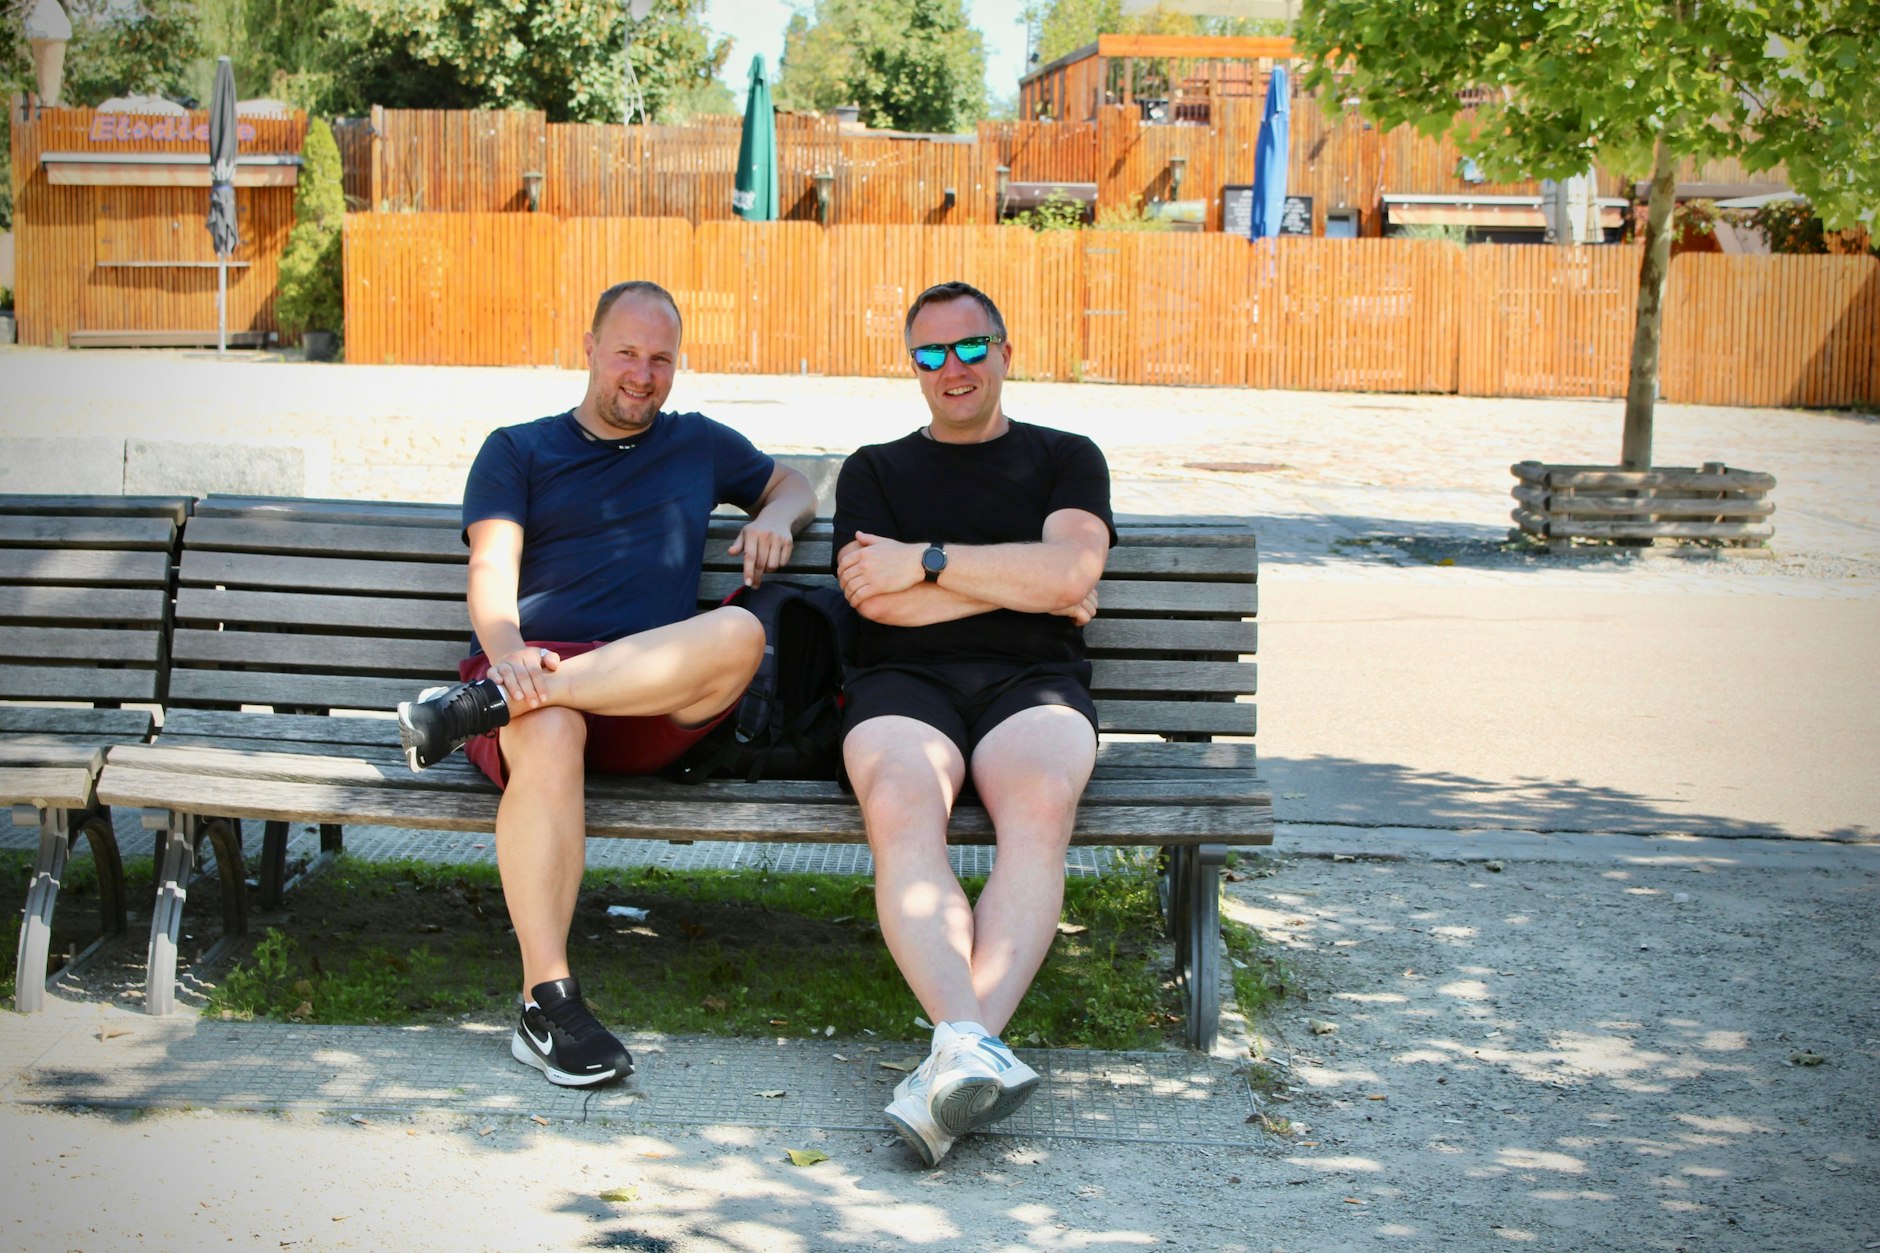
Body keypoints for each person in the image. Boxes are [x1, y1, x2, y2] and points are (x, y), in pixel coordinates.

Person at [396, 280, 817, 1089]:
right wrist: (510, 655)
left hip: (645, 693)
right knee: (551, 725)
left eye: (661, 358)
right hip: (533, 684)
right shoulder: (518, 449)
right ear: (588, 347)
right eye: (627, 351)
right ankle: (546, 1002)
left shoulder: (697, 443)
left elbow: (791, 482)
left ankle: (478, 707)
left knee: (739, 631)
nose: (643, 373)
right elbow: (492, 568)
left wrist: (775, 516)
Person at [832, 281, 1114, 1165]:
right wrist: (1026, 581)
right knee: (901, 804)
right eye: (929, 353)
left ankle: (956, 1055)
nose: (951, 368)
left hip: (1035, 683)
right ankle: (969, 1059)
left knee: (1038, 809)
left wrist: (929, 562)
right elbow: (877, 608)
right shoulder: (874, 469)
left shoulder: (1066, 457)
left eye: (968, 347)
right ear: (912, 365)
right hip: (900, 683)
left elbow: (1070, 570)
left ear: (1004, 348)